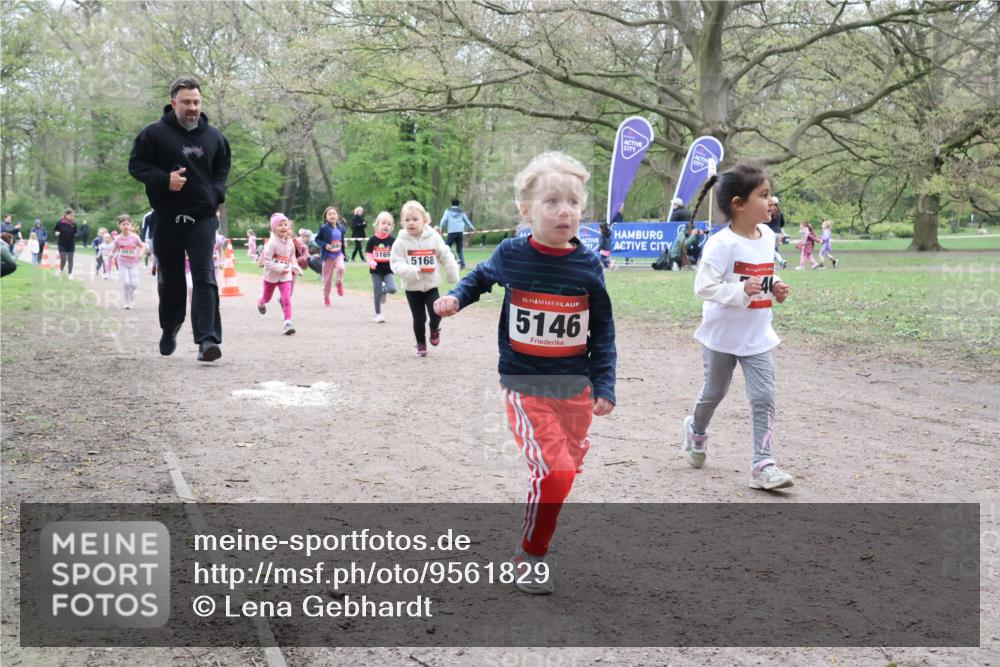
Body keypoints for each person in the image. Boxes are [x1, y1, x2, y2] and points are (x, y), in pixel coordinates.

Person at [434, 152, 616, 595]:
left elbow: (603, 327)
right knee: (554, 471)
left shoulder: (588, 264)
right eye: (552, 201)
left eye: (573, 202)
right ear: (526, 210)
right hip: (524, 382)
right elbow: (479, 277)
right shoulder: (512, 253)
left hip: (575, 386)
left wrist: (604, 382)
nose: (565, 211)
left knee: (566, 470)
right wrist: (457, 298)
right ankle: (530, 555)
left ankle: (539, 530)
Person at [680, 161, 794, 491]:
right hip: (722, 336)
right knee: (715, 392)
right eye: (764, 194)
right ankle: (696, 429)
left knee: (764, 397)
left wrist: (776, 285)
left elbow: (761, 273)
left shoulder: (768, 235)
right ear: (739, 204)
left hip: (758, 335)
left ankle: (763, 464)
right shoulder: (721, 244)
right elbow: (704, 287)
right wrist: (739, 291)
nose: (772, 201)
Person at [128, 77, 231, 362]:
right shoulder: (154, 134)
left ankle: (207, 340)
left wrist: (217, 193)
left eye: (196, 102)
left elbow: (222, 168)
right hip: (167, 219)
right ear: (173, 103)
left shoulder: (214, 137)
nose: (192, 107)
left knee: (204, 276)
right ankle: (170, 327)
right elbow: (136, 165)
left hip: (202, 219)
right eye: (186, 102)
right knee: (171, 281)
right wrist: (163, 180)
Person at [389, 199, 459, 357]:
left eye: (415, 219)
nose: (411, 223)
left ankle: (434, 328)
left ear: (425, 220)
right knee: (418, 318)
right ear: (402, 222)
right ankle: (421, 343)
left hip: (431, 284)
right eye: (407, 220)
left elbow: (445, 254)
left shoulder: (433, 237)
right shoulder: (400, 242)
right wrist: (410, 270)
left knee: (436, 313)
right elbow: (395, 263)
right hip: (412, 287)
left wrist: (451, 270)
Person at [256, 212, 301, 335]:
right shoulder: (271, 243)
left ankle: (288, 323)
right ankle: (260, 302)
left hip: (285, 276)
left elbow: (292, 258)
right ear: (273, 228)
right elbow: (267, 261)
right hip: (270, 277)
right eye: (280, 225)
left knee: (286, 298)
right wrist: (280, 268)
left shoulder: (291, 242)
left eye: (285, 225)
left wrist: (296, 268)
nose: (283, 227)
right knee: (267, 298)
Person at [366, 211, 398, 323]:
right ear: (377, 225)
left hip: (388, 269)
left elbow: (396, 253)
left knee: (393, 289)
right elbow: (368, 253)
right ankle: (378, 314)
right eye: (383, 223)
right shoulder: (372, 240)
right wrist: (371, 261)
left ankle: (384, 291)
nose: (386, 226)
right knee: (376, 292)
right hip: (376, 270)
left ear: (392, 227)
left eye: (389, 224)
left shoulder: (393, 240)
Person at [110, 214, 147, 309]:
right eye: (123, 224)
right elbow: (113, 250)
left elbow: (143, 246)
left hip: (133, 264)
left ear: (130, 225)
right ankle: (126, 301)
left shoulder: (134, 237)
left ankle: (130, 296)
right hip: (122, 263)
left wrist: (140, 254)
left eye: (127, 224)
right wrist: (111, 254)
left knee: (134, 284)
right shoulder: (118, 239)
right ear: (119, 225)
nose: (126, 226)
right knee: (126, 283)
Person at [314, 206, 347, 305]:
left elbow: (340, 238)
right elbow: (317, 240)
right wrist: (325, 245)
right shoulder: (323, 228)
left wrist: (343, 242)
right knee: (327, 280)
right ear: (326, 217)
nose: (332, 216)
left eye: (334, 214)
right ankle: (326, 297)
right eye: (330, 214)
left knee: (341, 268)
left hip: (338, 254)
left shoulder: (341, 227)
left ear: (338, 216)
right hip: (328, 256)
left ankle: (339, 282)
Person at [439, 199, 476, 270]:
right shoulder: (461, 212)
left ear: (451, 204)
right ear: (458, 204)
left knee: (446, 248)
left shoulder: (448, 211)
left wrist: (442, 229)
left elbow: (443, 221)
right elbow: (467, 221)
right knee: (459, 249)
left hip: (451, 232)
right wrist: (472, 228)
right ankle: (463, 265)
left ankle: (455, 259)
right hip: (460, 233)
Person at [53, 208, 78, 278]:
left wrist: (77, 234)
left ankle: (70, 273)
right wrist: (56, 233)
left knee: (70, 259)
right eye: (71, 215)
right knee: (63, 258)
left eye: (73, 216)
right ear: (66, 215)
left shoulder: (74, 224)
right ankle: (60, 270)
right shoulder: (60, 222)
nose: (72, 217)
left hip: (71, 244)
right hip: (61, 244)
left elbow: (76, 232)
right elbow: (54, 230)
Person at [767, 196, 787, 269]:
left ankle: (780, 261)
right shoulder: (779, 212)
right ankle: (778, 262)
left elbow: (765, 221)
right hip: (778, 233)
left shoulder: (769, 211)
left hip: (771, 233)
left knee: (770, 249)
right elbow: (782, 224)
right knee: (774, 249)